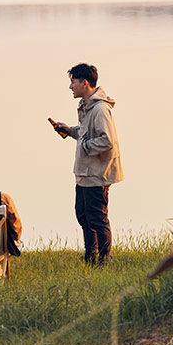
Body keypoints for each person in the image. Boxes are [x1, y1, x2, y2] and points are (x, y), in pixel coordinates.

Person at [51, 63, 123, 265]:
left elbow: (108, 140)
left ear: (84, 83)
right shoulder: (86, 106)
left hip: (96, 175)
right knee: (83, 216)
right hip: (84, 174)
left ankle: (103, 261)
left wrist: (84, 144)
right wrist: (70, 130)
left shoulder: (100, 109)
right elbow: (86, 134)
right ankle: (90, 257)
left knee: (98, 219)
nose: (70, 86)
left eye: (73, 82)